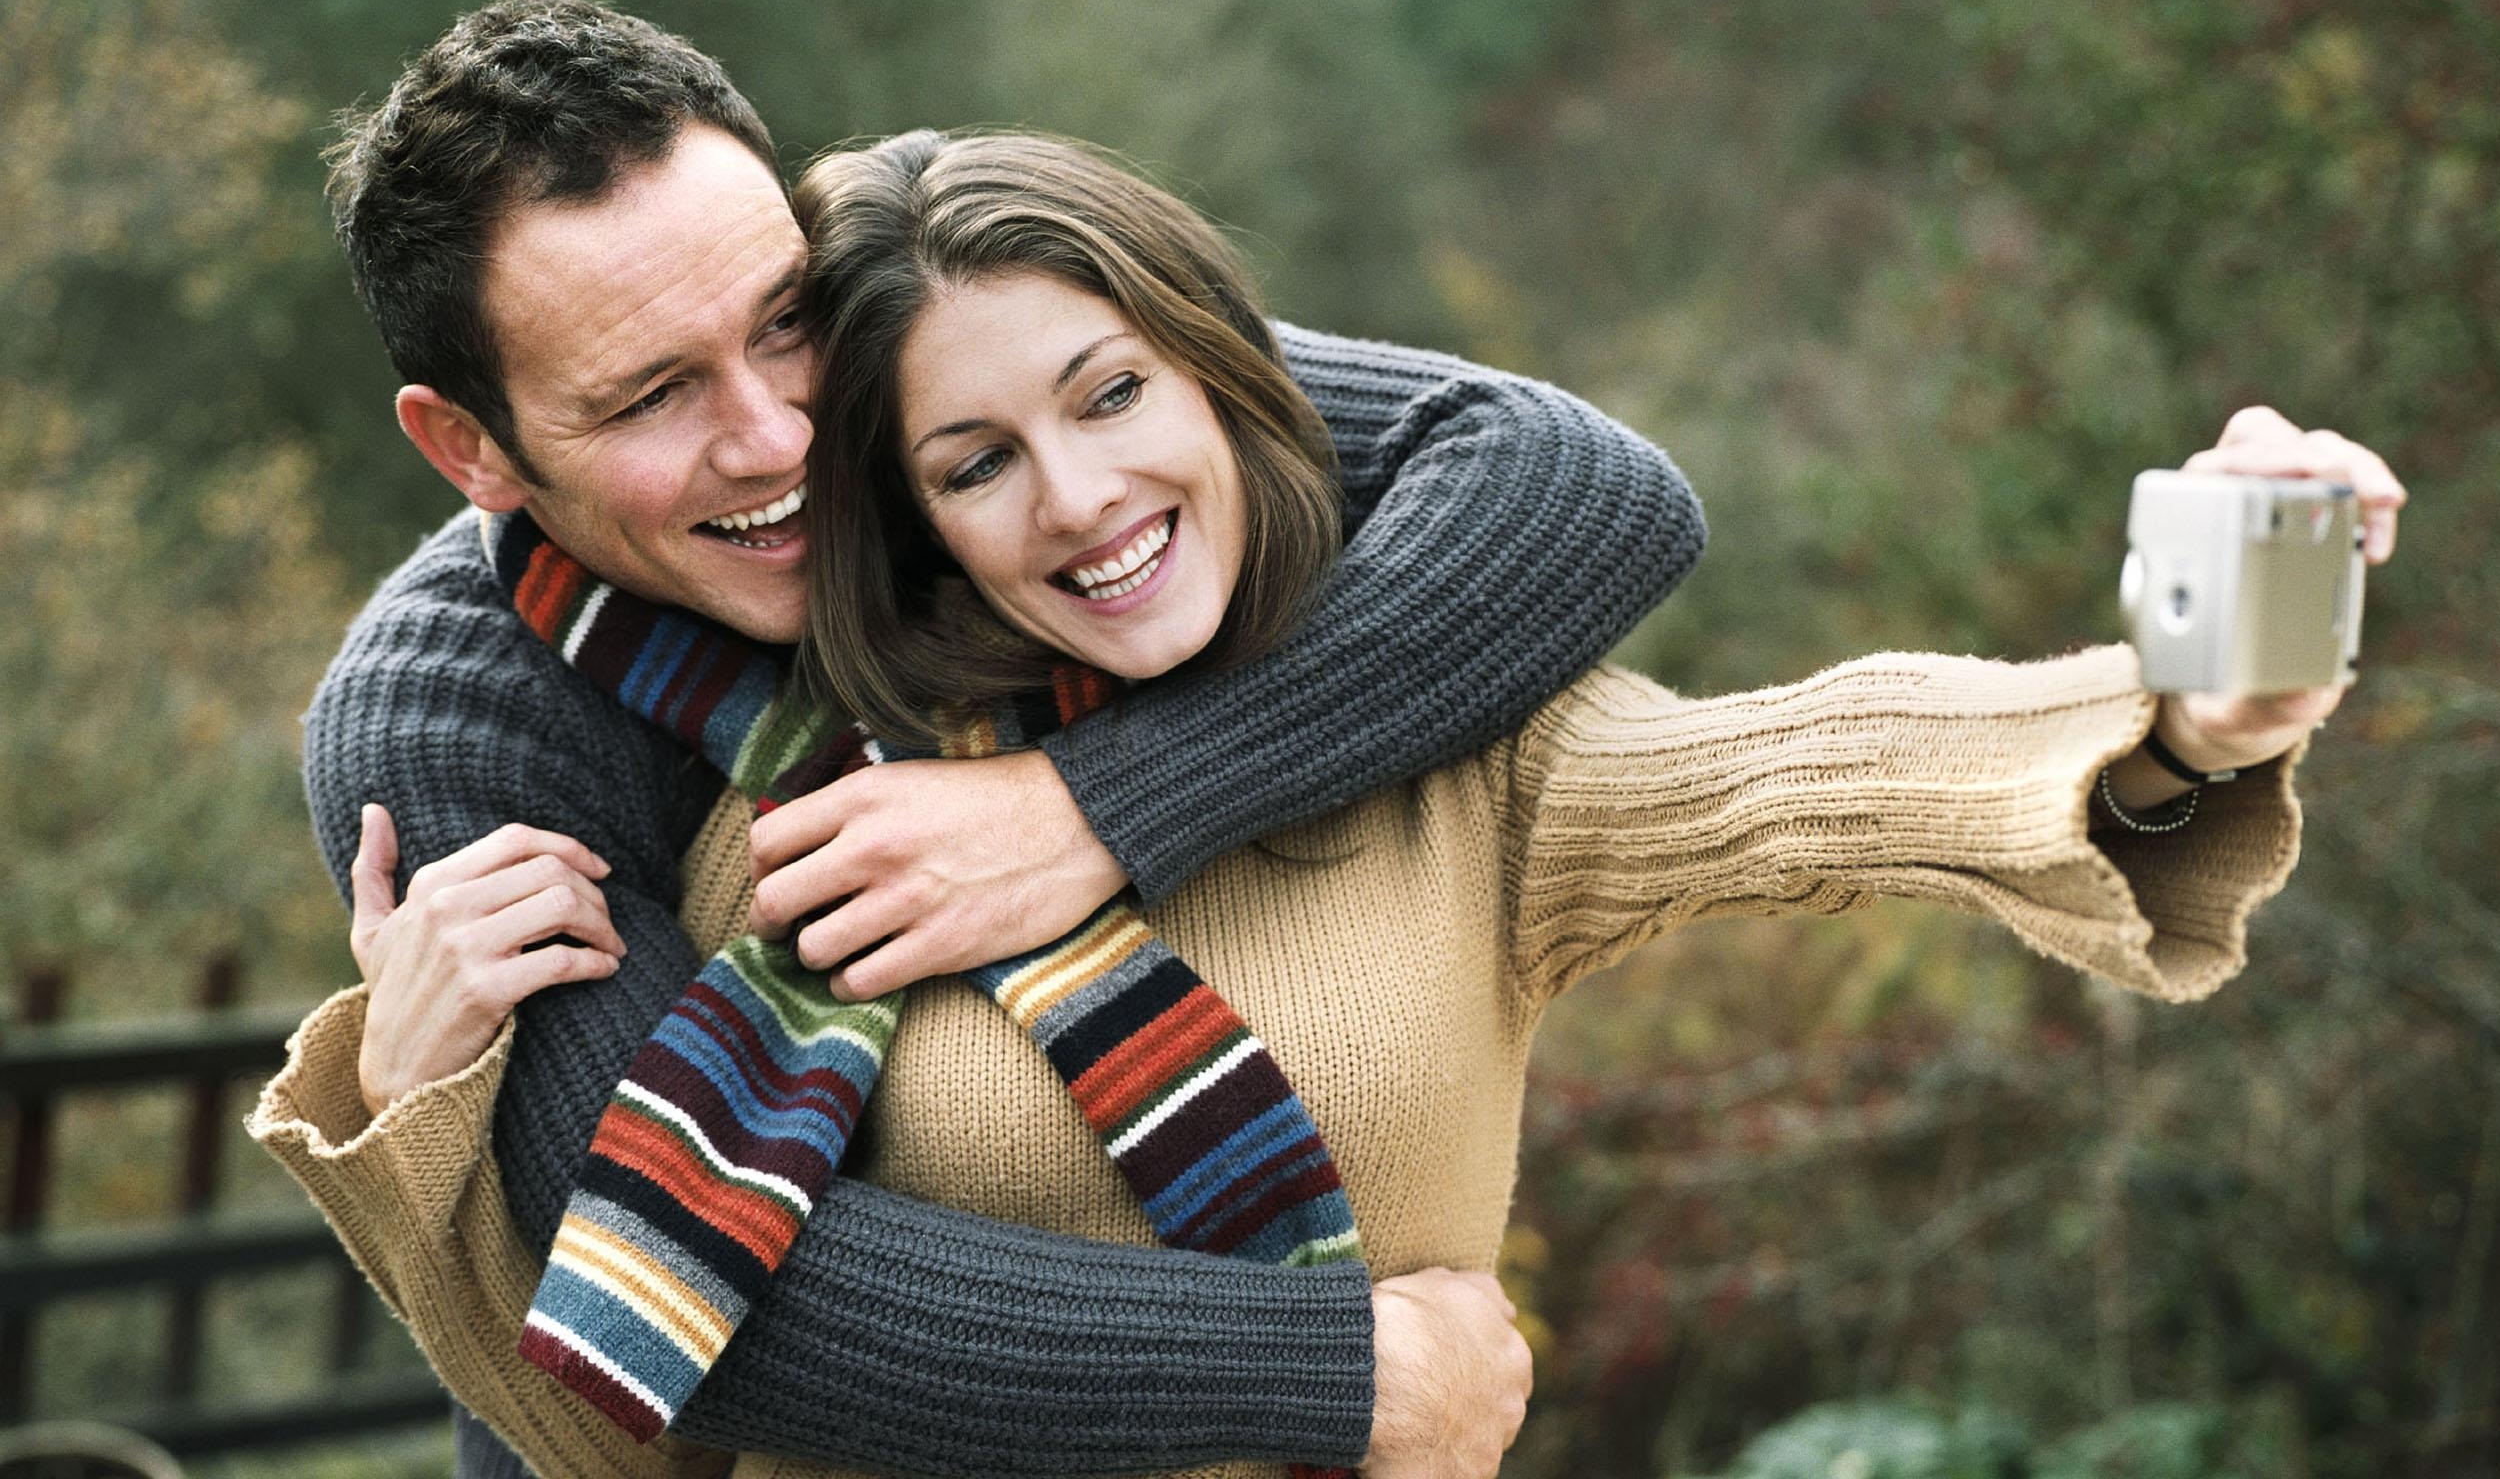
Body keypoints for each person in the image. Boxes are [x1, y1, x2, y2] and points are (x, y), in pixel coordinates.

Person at [254, 128, 2405, 1479]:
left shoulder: (1439, 749)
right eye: (975, 460)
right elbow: (635, 1391)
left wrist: (2190, 712)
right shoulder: (775, 849)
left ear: (1235, 381)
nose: (1079, 495)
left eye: (1116, 394)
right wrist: (426, 1128)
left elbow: (1818, 772)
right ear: (898, 511)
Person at [257, 0, 1709, 1479]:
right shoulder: (451, 726)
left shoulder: (953, 380)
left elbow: (1575, 482)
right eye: (650, 397)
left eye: (783, 323)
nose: (777, 438)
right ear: (471, 449)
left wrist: (1092, 809)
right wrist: (1348, 1375)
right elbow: (690, 1293)